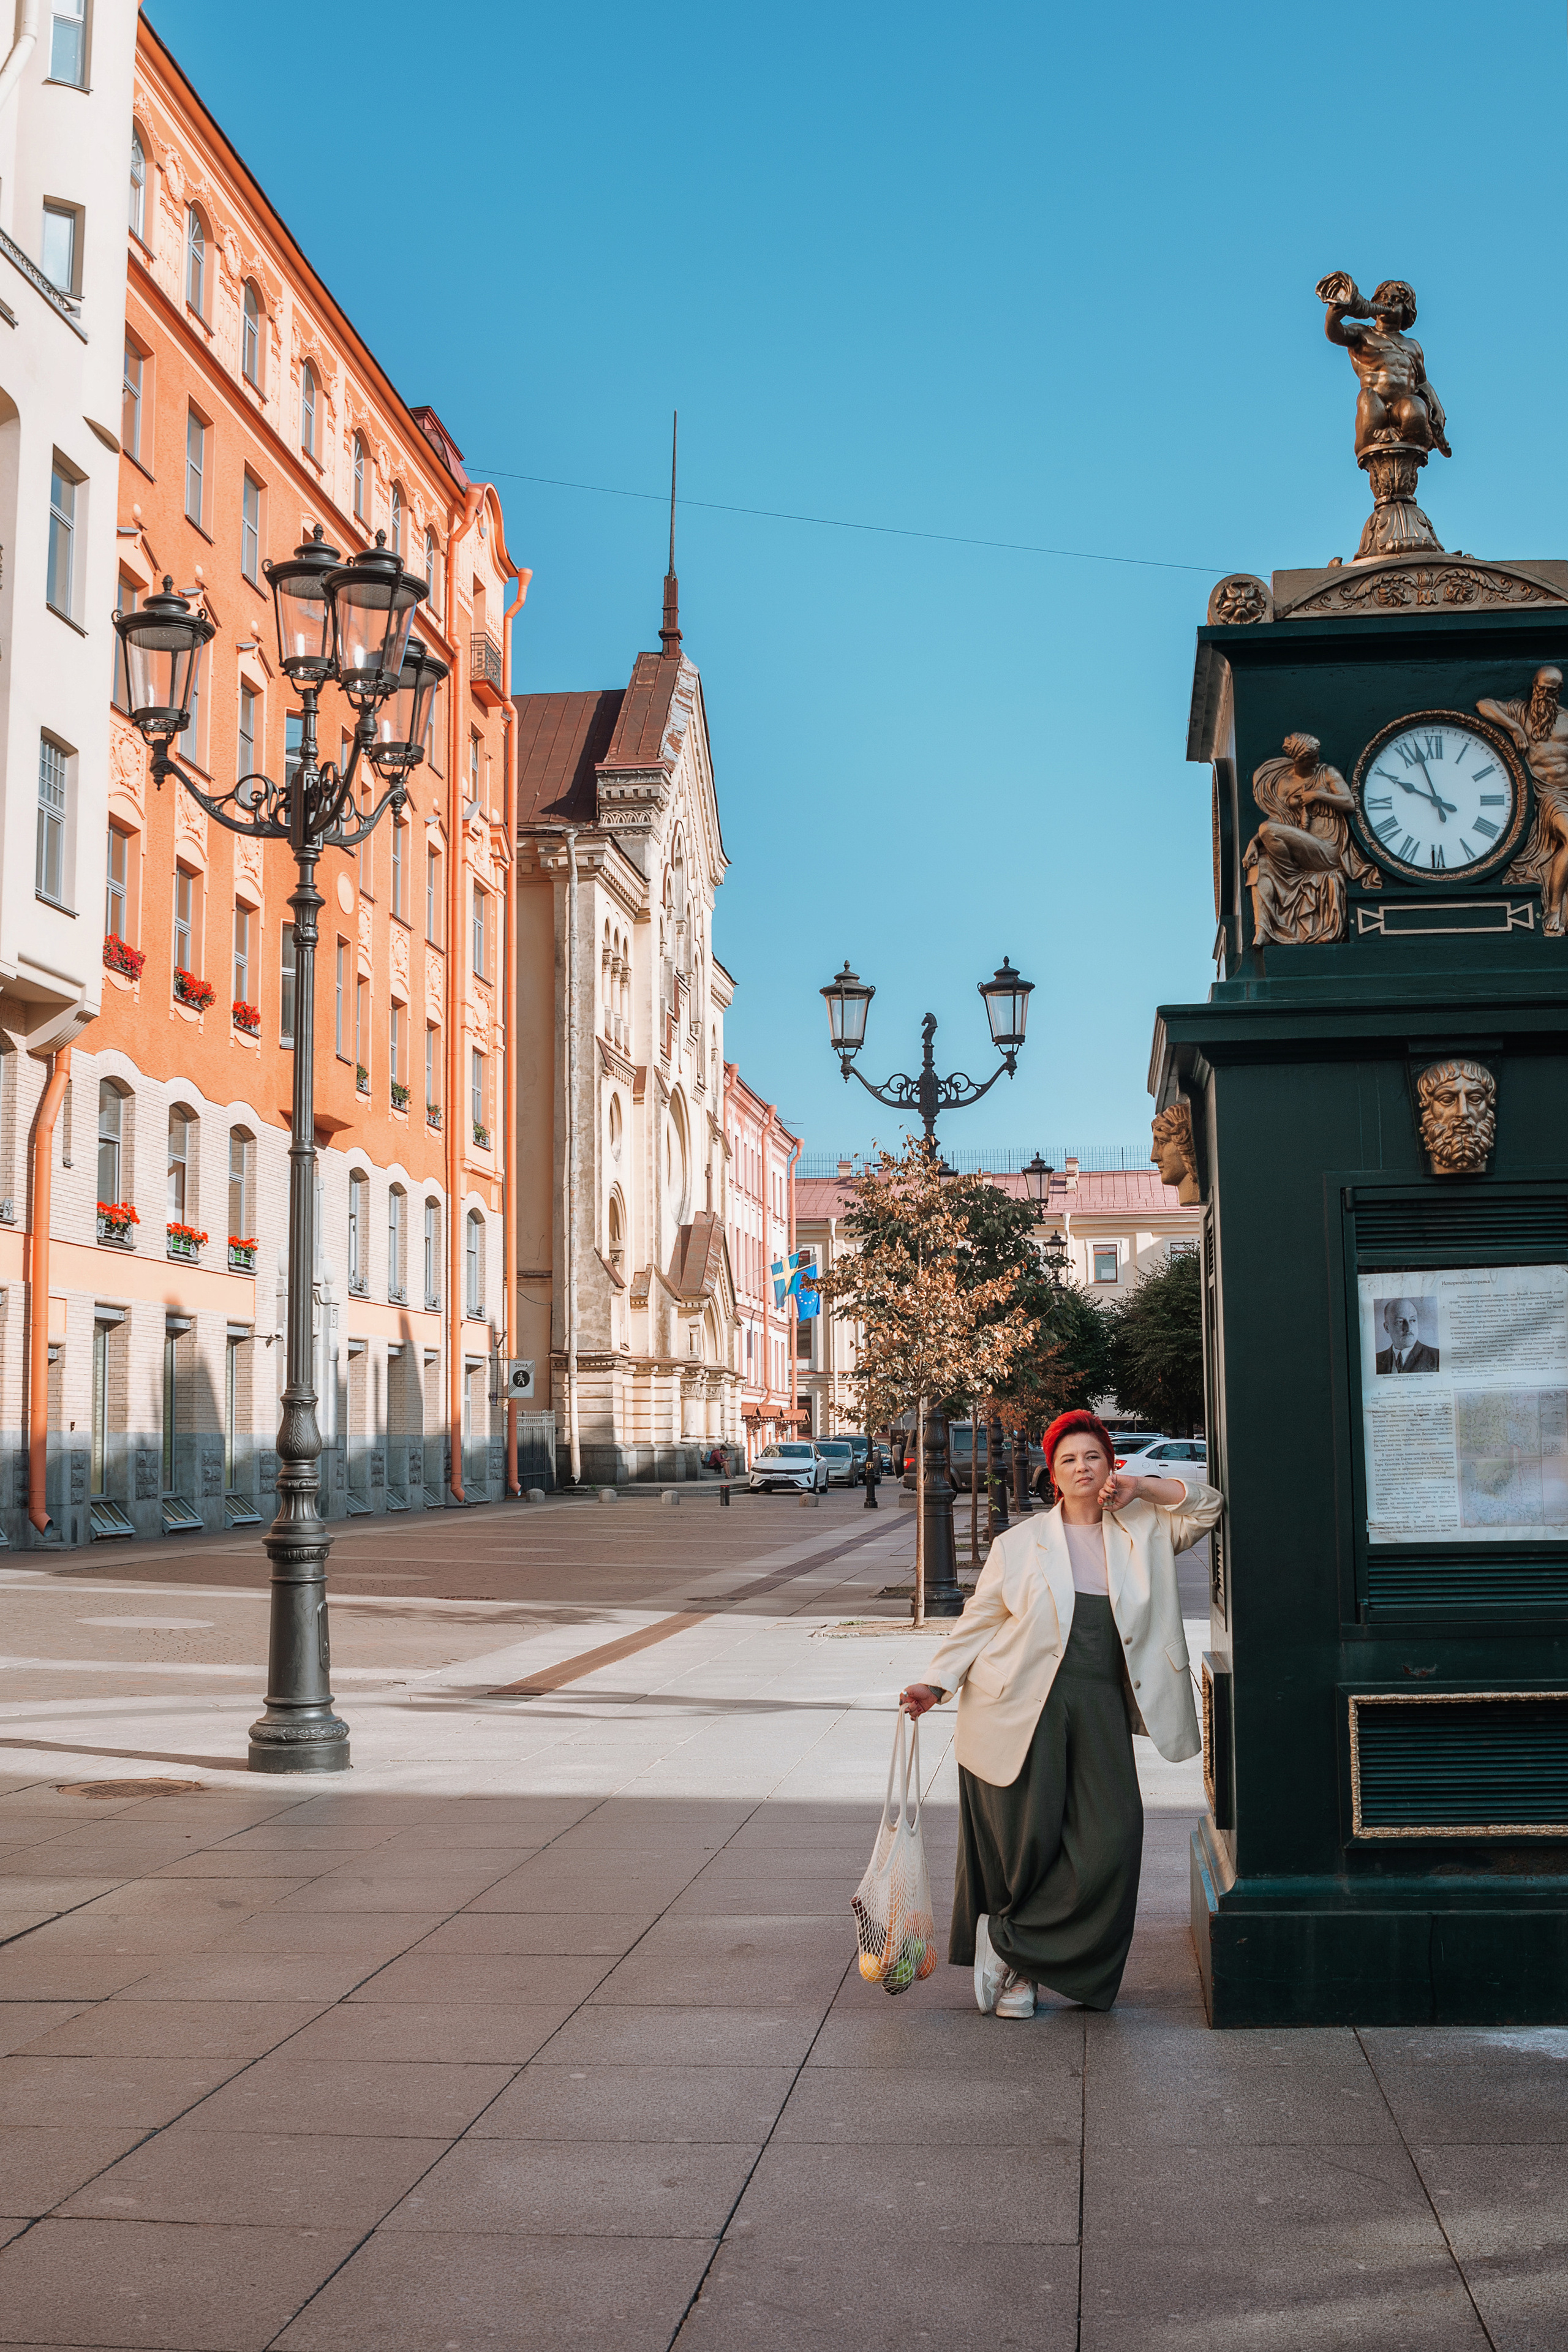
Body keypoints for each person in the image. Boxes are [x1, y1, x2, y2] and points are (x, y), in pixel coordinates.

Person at [900, 1408, 1221, 2020]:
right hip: (1019, 1703)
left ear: (1110, 1466)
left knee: (1113, 1838)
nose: (1081, 1467)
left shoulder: (1147, 1527)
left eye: (1092, 1457)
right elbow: (980, 1621)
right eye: (1069, 1459)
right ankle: (1021, 1975)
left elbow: (1207, 1506)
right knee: (1031, 1844)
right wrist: (934, 1683)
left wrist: (1144, 1487)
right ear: (1053, 1473)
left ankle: (1006, 1939)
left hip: (1099, 1702)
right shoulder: (1018, 1545)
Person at [1375, 1298, 1438, 1375]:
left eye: (1413, 1320)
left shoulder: (1437, 1358)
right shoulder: (1375, 1360)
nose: (1408, 1328)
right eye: (1400, 1322)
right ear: (1387, 1327)